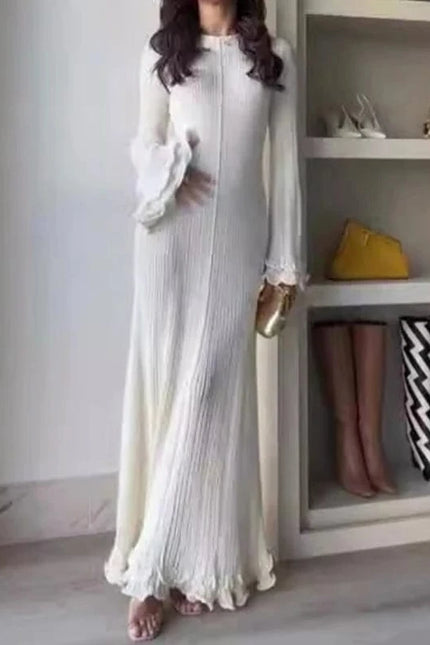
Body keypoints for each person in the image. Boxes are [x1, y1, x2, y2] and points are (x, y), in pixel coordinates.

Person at [104, 0, 303, 640]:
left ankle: (156, 566)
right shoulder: (163, 52)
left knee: (207, 395)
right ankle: (178, 564)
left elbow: (285, 170)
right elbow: (143, 144)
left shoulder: (273, 57)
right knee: (169, 392)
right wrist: (168, 168)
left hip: (238, 249)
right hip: (170, 243)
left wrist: (285, 263)